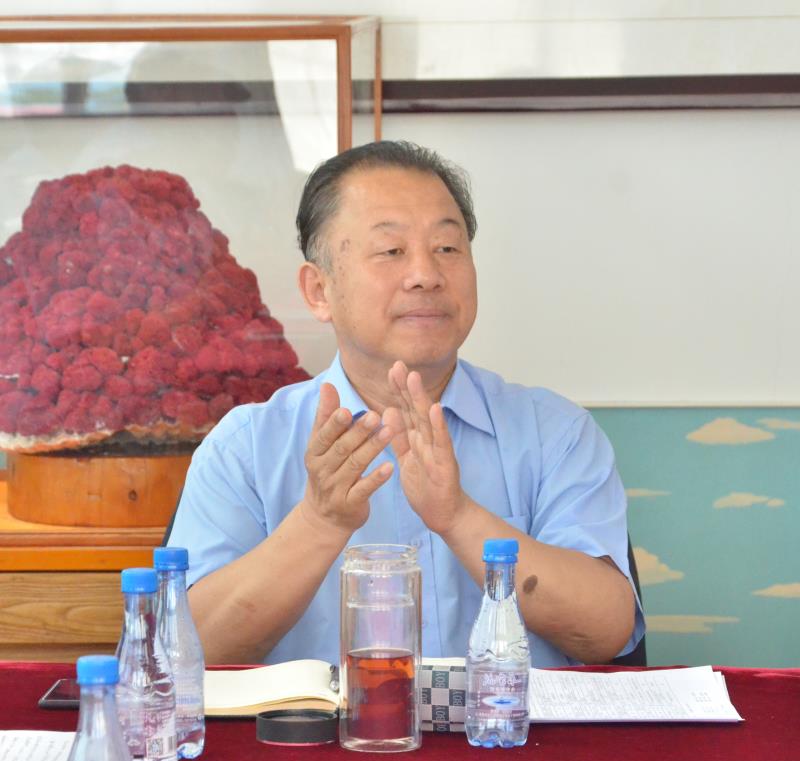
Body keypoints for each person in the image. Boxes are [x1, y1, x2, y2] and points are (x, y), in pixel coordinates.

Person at [166, 140, 644, 667]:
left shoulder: (554, 433)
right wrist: (319, 522)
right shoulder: (246, 448)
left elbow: (607, 631)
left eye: (447, 248)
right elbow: (188, 654)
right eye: (391, 251)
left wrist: (459, 517)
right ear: (319, 290)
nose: (426, 274)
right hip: (316, 726)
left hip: (510, 722)